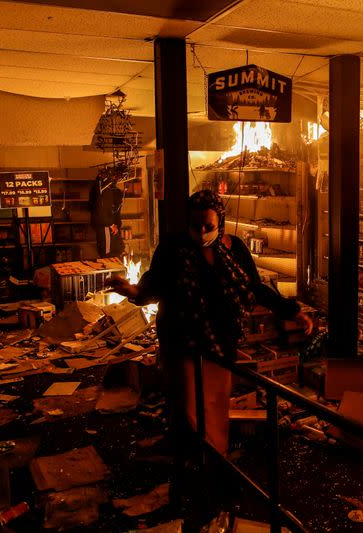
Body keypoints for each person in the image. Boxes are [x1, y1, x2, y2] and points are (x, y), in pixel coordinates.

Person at [106, 190, 313, 508]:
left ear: (221, 223)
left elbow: (255, 288)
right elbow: (154, 285)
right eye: (195, 226)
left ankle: (214, 469)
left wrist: (291, 311)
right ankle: (190, 472)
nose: (201, 233)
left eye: (207, 226)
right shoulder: (174, 248)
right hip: (182, 341)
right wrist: (134, 291)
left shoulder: (235, 249)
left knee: (215, 408)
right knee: (189, 407)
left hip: (221, 344)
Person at [89, 171, 124, 258]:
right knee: (106, 253)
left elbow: (114, 210)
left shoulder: (107, 190)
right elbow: (100, 210)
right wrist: (111, 224)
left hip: (108, 225)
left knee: (113, 251)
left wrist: (114, 224)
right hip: (106, 226)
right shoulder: (103, 190)